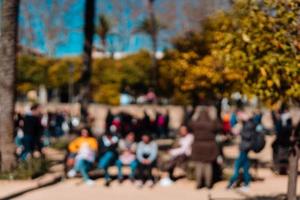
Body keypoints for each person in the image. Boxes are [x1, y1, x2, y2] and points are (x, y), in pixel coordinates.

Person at [189, 106, 220, 189]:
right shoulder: (211, 122)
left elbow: (190, 125)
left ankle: (199, 183)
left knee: (199, 164)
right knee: (208, 164)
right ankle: (208, 183)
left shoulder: (196, 122)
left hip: (197, 145)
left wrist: (195, 115)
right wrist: (214, 116)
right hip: (210, 145)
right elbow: (218, 127)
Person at [227, 112, 255, 191]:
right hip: (245, 147)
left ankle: (231, 182)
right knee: (245, 166)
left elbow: (248, 135)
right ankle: (246, 183)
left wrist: (240, 131)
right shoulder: (248, 124)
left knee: (237, 165)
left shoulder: (248, 125)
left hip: (245, 148)